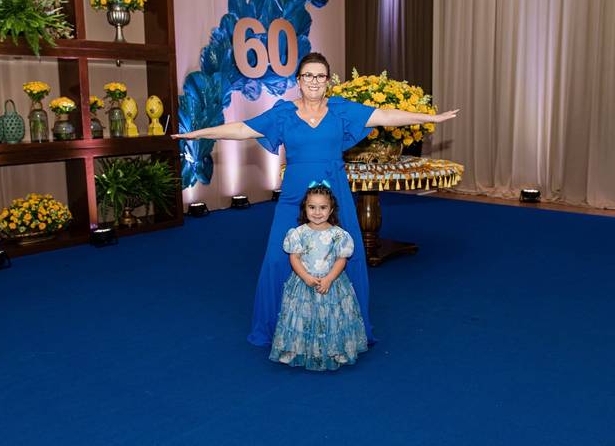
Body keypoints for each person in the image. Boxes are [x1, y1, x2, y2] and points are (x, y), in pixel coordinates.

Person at [173, 52, 458, 347]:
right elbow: (243, 128)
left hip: (335, 192)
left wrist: (430, 118)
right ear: (298, 80)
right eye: (308, 75)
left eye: (320, 76)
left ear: (327, 81)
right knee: (278, 257)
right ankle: (274, 325)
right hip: (295, 194)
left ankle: (350, 324)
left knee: (348, 254)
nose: (313, 81)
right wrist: (198, 134)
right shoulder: (283, 114)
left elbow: (384, 116)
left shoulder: (341, 110)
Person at [269, 181, 367, 371]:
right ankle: (295, 348)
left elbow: (341, 260)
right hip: (304, 282)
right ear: (305, 208)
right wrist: (305, 276)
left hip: (332, 282)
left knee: (333, 317)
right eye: (312, 207)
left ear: (331, 210)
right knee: (300, 317)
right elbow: (294, 257)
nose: (317, 212)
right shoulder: (298, 234)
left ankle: (335, 349)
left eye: (323, 207)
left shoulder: (338, 235)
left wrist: (329, 278)